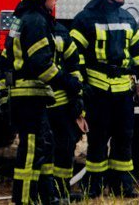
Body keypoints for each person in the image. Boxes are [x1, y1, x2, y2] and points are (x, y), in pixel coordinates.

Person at [70, 0, 139, 199]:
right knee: (98, 140)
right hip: (98, 91)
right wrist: (81, 83)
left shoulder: (127, 19)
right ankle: (94, 186)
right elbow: (74, 55)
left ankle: (123, 186)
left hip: (123, 92)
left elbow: (138, 51)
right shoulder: (84, 19)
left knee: (124, 139)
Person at [1, 0, 82, 205]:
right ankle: (25, 199)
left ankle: (47, 197)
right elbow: (41, 64)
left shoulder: (23, 18)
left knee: (43, 146)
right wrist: (68, 82)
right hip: (30, 95)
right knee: (31, 152)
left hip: (27, 94)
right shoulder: (36, 21)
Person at [48, 20, 87, 202]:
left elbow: (74, 65)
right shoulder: (31, 27)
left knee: (65, 147)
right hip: (39, 102)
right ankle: (46, 192)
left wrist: (77, 96)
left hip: (62, 103)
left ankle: (61, 191)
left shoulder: (61, 31)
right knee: (44, 150)